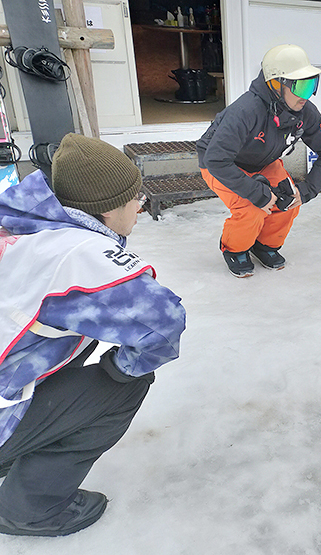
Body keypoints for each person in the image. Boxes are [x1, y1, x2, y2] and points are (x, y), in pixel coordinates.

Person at [0, 134, 186, 536]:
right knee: (121, 385)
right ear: (107, 208)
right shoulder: (80, 256)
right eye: (134, 196)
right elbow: (162, 324)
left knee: (69, 353)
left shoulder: (25, 226)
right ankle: (29, 509)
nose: (141, 204)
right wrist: (119, 367)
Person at [197, 44, 321, 277]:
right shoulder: (245, 111)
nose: (307, 95)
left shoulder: (306, 112)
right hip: (221, 164)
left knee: (290, 200)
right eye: (300, 86)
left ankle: (264, 244)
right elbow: (216, 159)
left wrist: (307, 190)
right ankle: (235, 249)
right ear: (275, 84)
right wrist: (255, 192)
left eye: (311, 85)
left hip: (264, 162)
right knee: (252, 208)